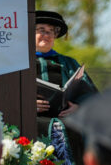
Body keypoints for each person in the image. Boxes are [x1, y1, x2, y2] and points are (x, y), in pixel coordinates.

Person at [34, 10, 98, 164]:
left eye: (51, 31)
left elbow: (91, 96)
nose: (47, 35)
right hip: (33, 122)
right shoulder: (20, 64)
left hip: (68, 123)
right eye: (41, 30)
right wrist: (27, 105)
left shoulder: (68, 63)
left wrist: (78, 107)